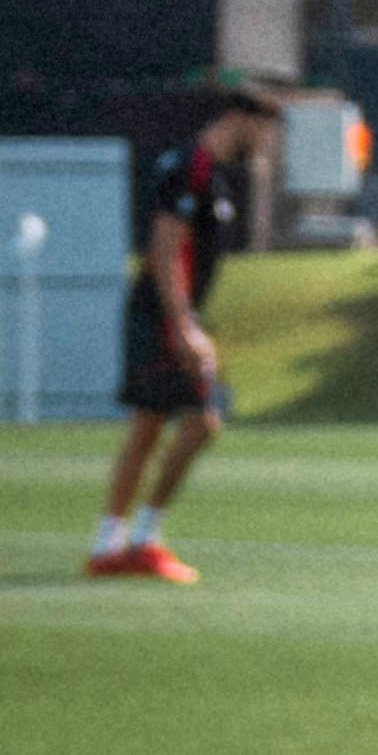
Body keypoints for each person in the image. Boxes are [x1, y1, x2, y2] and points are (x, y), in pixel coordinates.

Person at [86, 89, 284, 585]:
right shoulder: (190, 166)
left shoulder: (207, 171)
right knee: (202, 422)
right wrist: (184, 327)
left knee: (150, 425)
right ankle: (137, 540)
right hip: (161, 317)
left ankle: (113, 544)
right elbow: (164, 248)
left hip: (168, 316)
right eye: (266, 129)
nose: (268, 142)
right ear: (240, 119)